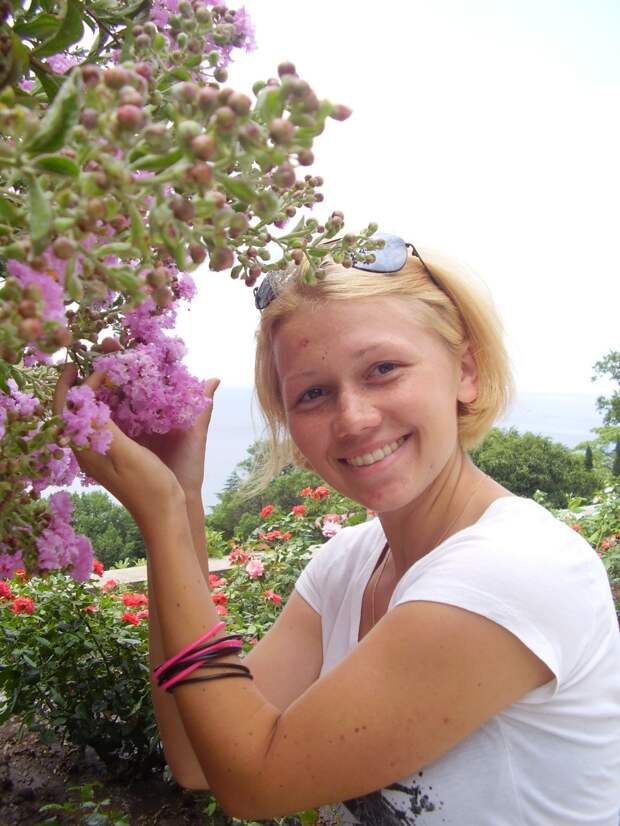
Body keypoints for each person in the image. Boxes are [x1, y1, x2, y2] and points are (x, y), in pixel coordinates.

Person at [54, 233, 620, 825]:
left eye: (383, 369)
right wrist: (183, 496)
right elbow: (200, 758)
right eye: (314, 394)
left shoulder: (515, 569)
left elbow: (253, 781)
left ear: (465, 372)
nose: (353, 419)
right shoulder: (351, 562)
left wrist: (164, 515)